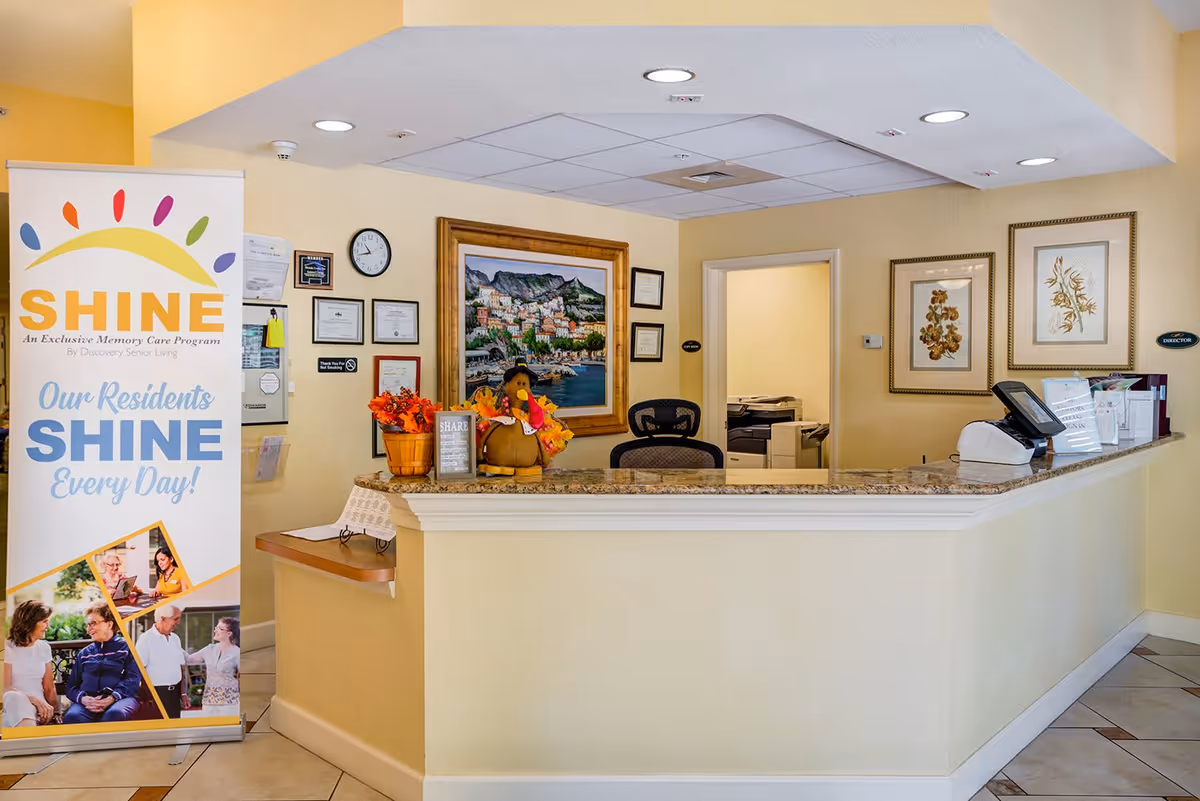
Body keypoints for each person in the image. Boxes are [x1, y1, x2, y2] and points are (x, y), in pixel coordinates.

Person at [63, 602, 142, 723]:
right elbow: (71, 686)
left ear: (109, 624)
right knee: (72, 717)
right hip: (88, 703)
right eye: (88, 625)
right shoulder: (84, 654)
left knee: (115, 714)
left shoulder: (127, 649)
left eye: (93, 623)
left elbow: (133, 680)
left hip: (120, 699)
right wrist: (83, 699)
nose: (88, 629)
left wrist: (112, 698)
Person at [3, 600, 57, 727]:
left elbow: (49, 688)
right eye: (44, 621)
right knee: (13, 697)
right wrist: (34, 700)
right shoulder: (7, 648)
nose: (48, 627)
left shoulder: (44, 648)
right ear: (30, 623)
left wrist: (55, 712)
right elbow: (5, 688)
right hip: (15, 704)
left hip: (40, 709)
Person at [135, 605, 187, 718]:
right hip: (156, 695)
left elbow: (180, 667)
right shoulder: (145, 639)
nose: (178, 622)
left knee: (174, 727)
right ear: (163, 619)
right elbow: (139, 670)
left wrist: (183, 694)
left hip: (174, 695)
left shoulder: (175, 638)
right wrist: (149, 697)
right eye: (175, 619)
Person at [187, 617, 239, 717]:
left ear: (229, 633)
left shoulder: (237, 653)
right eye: (216, 627)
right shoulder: (209, 649)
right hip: (209, 702)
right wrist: (173, 646)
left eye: (220, 628)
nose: (215, 630)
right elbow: (188, 659)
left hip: (230, 703)